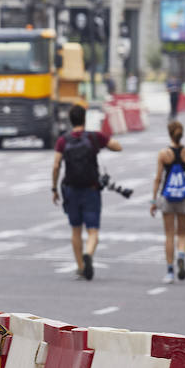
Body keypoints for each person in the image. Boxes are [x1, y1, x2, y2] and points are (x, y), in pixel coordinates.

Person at [51, 103, 122, 280]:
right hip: (91, 189)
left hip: (71, 189)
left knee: (75, 230)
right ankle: (89, 253)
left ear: (70, 120)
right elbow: (117, 146)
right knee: (93, 231)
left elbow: (56, 165)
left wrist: (54, 188)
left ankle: (81, 267)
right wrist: (105, 143)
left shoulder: (63, 140)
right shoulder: (94, 137)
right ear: (85, 118)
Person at [149, 119, 185, 283]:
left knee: (169, 235)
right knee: (182, 234)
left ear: (169, 134)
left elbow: (158, 178)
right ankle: (182, 256)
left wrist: (153, 200)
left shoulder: (164, 154)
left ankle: (170, 271)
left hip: (167, 196)